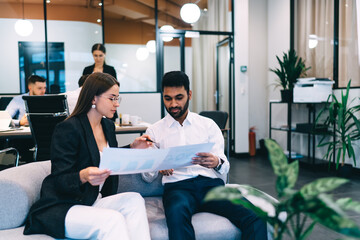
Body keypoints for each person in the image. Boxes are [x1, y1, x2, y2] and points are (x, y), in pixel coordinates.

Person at [23, 72, 151, 240]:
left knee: (134, 200)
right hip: (64, 205)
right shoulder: (68, 128)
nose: (116, 104)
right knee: (112, 220)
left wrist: (133, 148)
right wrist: (82, 176)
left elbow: (108, 158)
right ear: (93, 98)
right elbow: (60, 178)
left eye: (118, 98)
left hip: (91, 199)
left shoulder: (107, 126)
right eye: (111, 98)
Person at [143, 71, 268, 240]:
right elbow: (147, 175)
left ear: (190, 94)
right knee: (177, 217)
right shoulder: (154, 131)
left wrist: (216, 161)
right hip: (178, 188)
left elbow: (225, 166)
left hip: (211, 186)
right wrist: (158, 165)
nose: (173, 104)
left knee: (256, 216)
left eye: (179, 97)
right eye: (168, 98)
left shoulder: (208, 125)